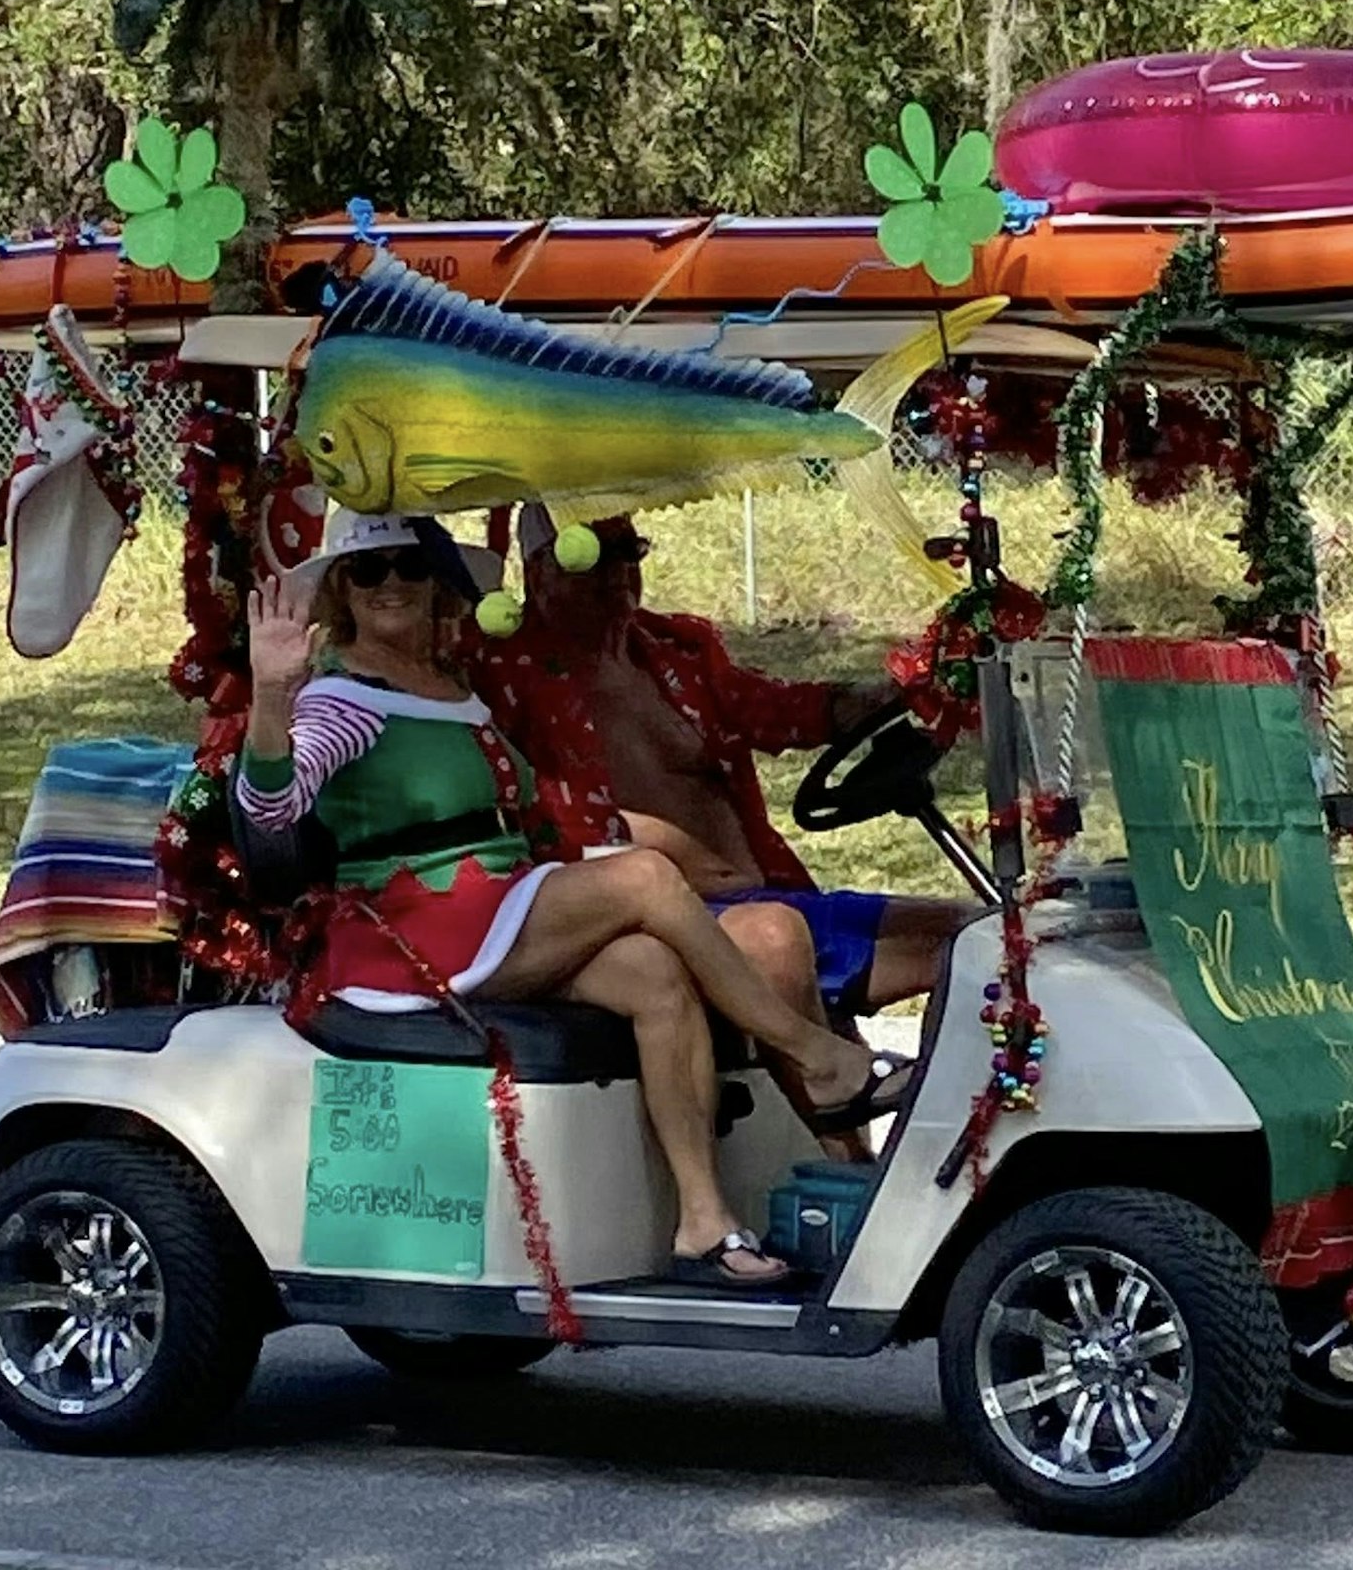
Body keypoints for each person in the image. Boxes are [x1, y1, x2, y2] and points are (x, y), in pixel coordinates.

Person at [236, 509, 910, 1287]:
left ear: (437, 583)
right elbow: (271, 807)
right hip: (419, 924)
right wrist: (272, 696)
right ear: (341, 592)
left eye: (410, 566)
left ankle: (702, 1219)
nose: (392, 584)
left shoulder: (450, 687)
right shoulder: (341, 701)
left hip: (494, 902)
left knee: (653, 972)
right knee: (646, 878)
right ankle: (819, 1058)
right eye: (368, 570)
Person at [478, 506, 977, 1051]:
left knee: (977, 932)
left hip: (768, 892)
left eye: (629, 551)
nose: (618, 572)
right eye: (592, 557)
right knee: (781, 939)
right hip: (667, 920)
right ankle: (844, 1101)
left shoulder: (678, 648)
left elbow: (775, 709)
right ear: (537, 572)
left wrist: (903, 690)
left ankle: (954, 1100)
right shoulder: (503, 673)